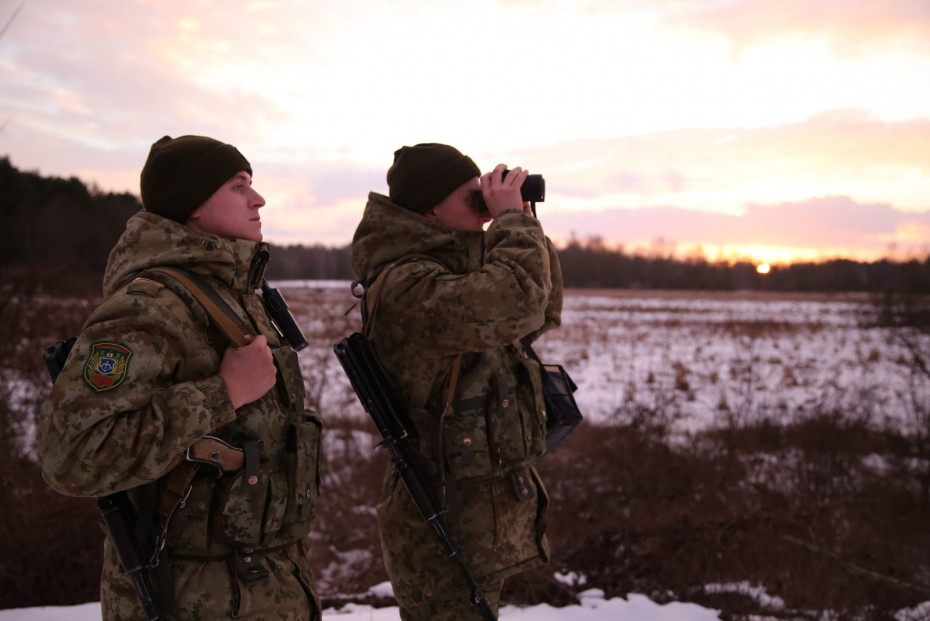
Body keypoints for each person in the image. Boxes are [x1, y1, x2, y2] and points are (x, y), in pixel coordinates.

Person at [38, 135, 322, 620]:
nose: (258, 199)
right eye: (238, 186)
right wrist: (223, 393)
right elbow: (71, 456)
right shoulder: (148, 307)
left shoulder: (238, 296)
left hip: (266, 590)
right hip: (190, 599)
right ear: (191, 205)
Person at [350, 143, 563, 620]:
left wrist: (522, 220)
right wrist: (512, 224)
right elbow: (520, 301)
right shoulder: (410, 284)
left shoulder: (455, 271)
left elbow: (539, 314)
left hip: (477, 519)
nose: (483, 206)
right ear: (429, 206)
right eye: (472, 197)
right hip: (440, 526)